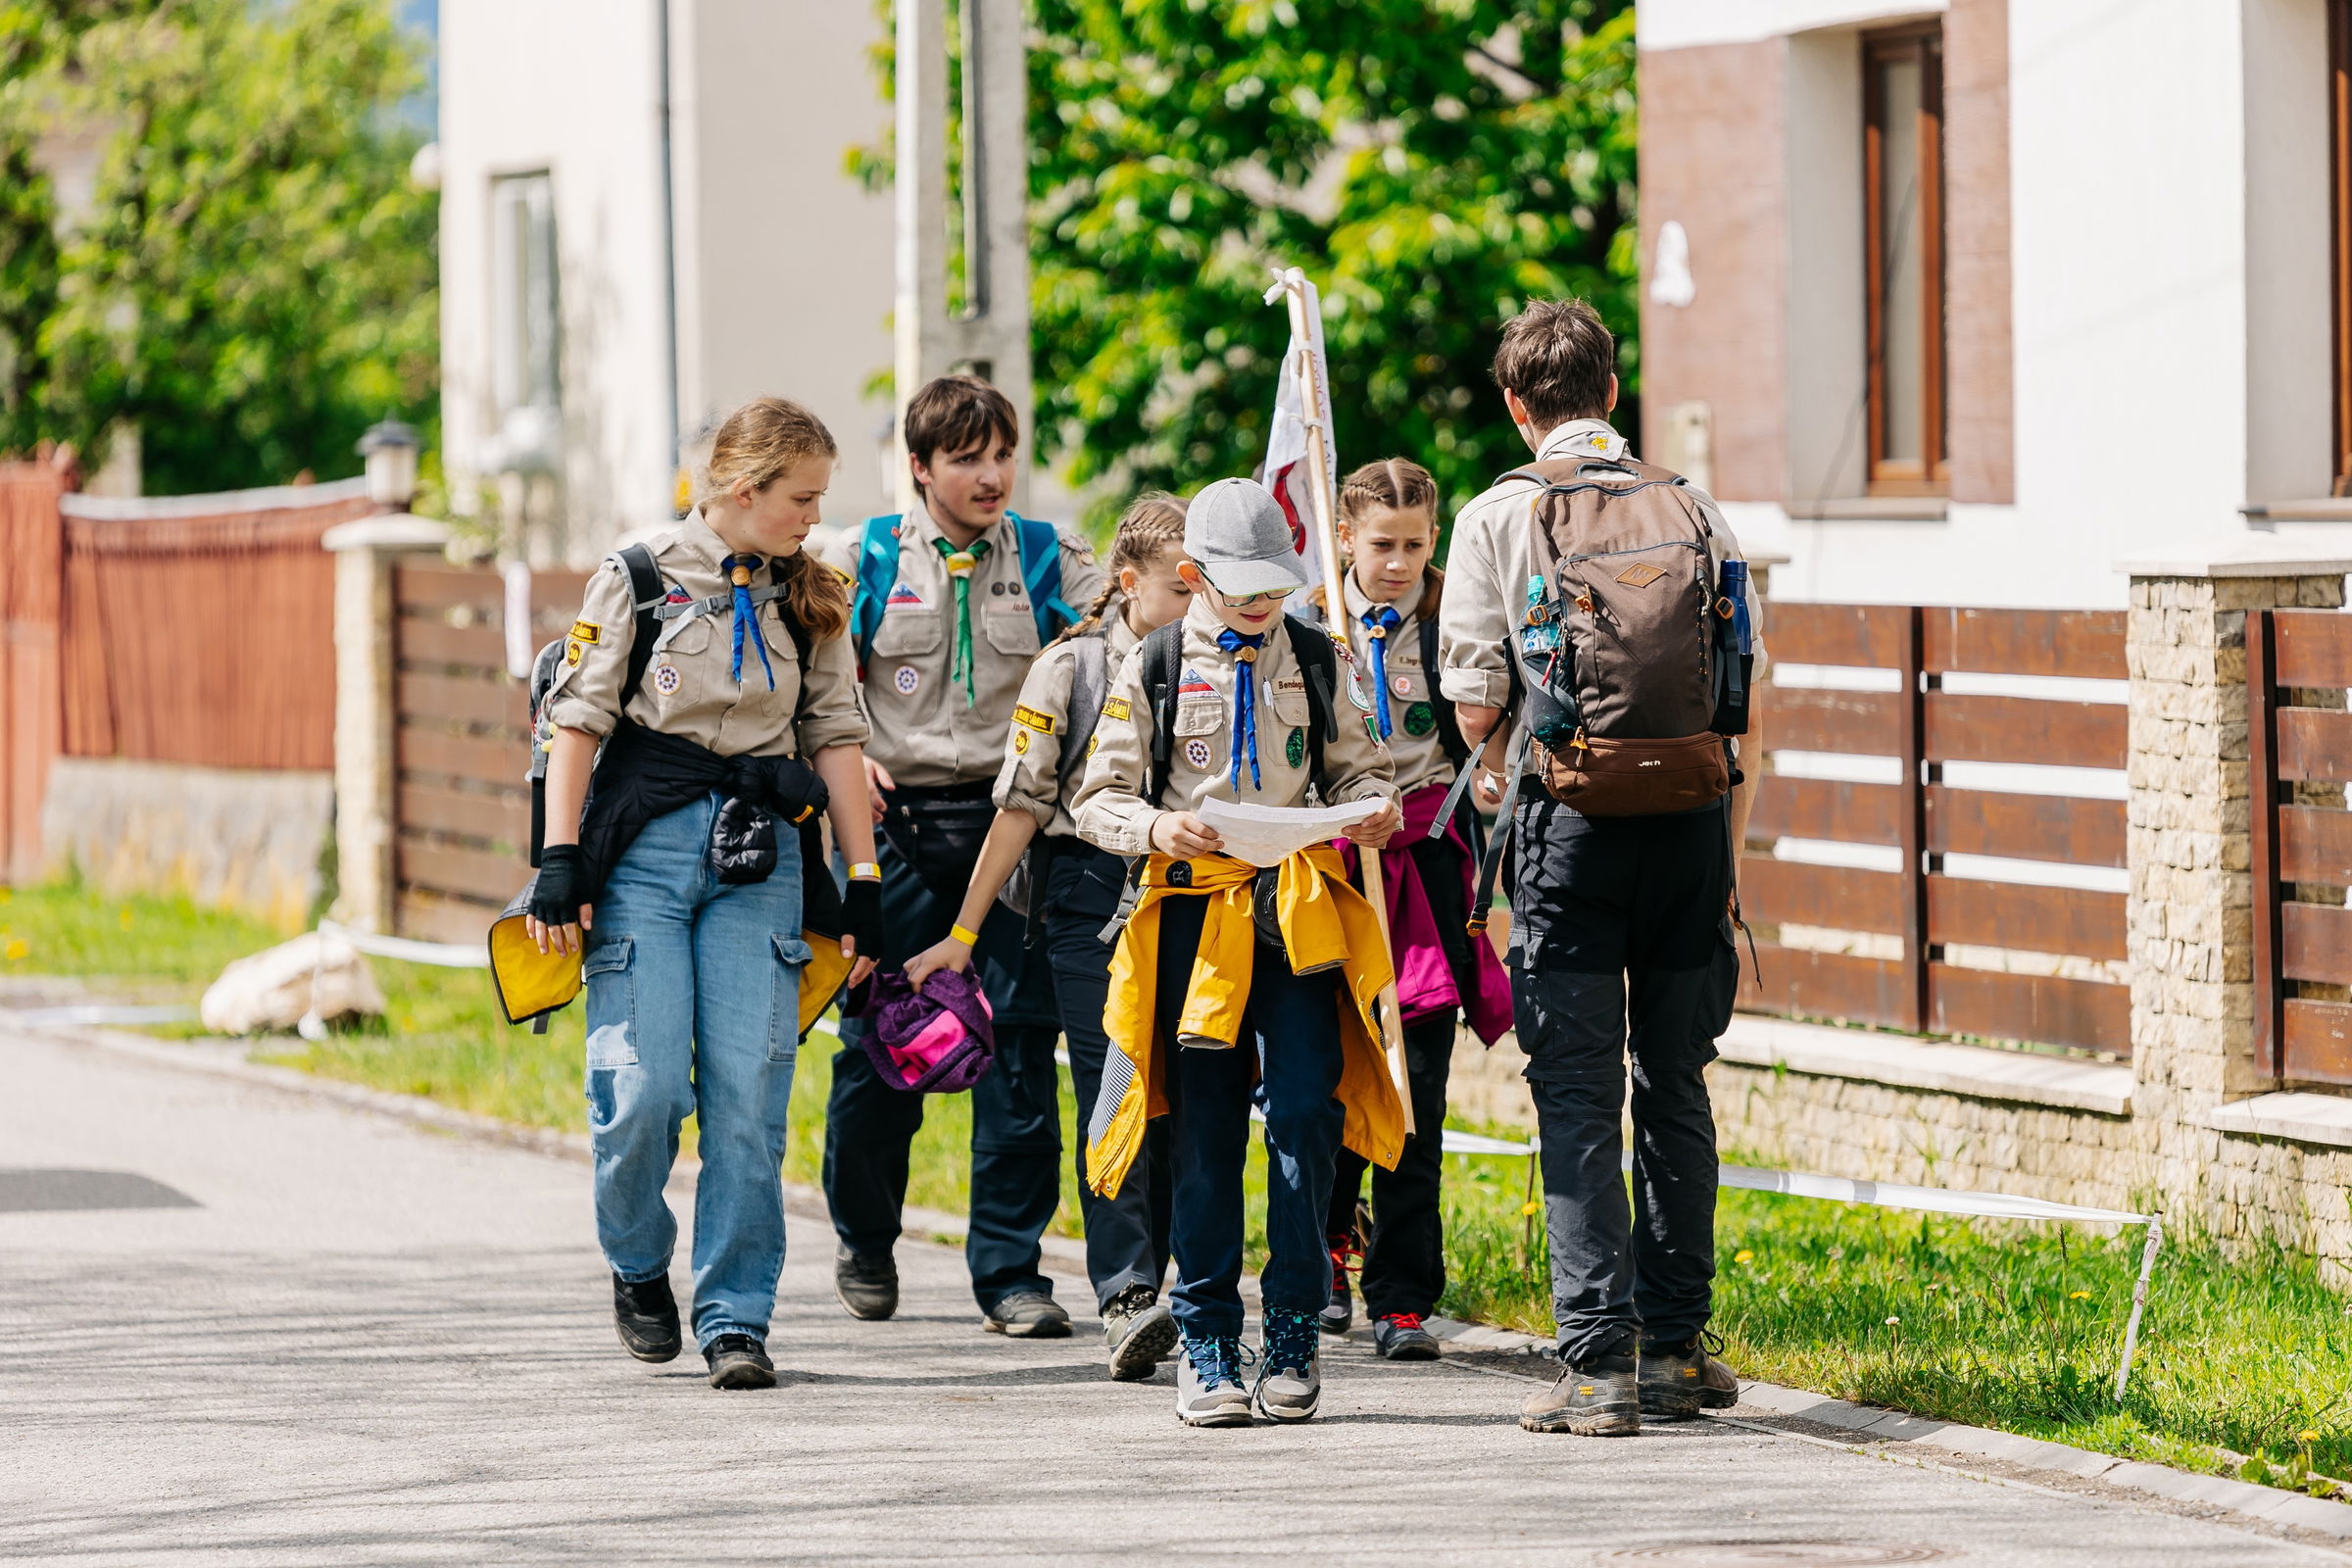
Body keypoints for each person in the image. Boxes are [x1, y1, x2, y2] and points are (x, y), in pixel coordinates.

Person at [1438, 298, 1764, 1435]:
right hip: (1685, 829)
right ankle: (1677, 1348)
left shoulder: (1495, 516)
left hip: (1565, 830)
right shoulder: (1698, 507)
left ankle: (1596, 1367)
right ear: (1616, 395)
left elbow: (1478, 695)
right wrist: (1723, 849)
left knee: (1577, 1093)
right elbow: (1744, 685)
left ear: (1519, 407)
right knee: (1674, 1084)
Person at [526, 397, 885, 1391]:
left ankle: (735, 1316)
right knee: (641, 1090)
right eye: (801, 498)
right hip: (643, 851)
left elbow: (837, 736)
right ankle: (639, 1261)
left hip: (759, 859)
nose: (815, 516)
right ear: (741, 489)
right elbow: (578, 722)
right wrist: (560, 860)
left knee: (746, 1099)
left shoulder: (809, 596)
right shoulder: (636, 580)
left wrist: (863, 881)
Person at [1073, 476, 1404, 1428]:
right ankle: (1209, 1334)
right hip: (1197, 926)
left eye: (1277, 588)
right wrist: (1157, 828)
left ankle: (1294, 1318)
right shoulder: (1156, 663)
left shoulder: (1316, 655)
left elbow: (1360, 769)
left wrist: (1372, 810)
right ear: (1193, 575)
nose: (1263, 606)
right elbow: (1098, 799)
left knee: (1306, 1111)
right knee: (1209, 1128)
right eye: (1243, 589)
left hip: (1298, 920)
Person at [819, 374, 1105, 1337]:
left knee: (1020, 1053)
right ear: (919, 467)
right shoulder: (857, 556)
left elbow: (1131, 624)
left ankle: (1010, 1273)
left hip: (1012, 830)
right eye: (965, 458)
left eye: (1001, 454)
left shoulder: (1047, 556)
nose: (990, 476)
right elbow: (805, 668)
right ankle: (865, 1236)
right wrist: (849, 746)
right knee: (882, 1047)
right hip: (892, 838)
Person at [904, 494, 1194, 1380]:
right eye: (1180, 583)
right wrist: (964, 930)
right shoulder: (1069, 668)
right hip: (1091, 888)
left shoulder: (1225, 661)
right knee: (1116, 1079)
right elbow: (1021, 807)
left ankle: (1177, 1272)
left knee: (1186, 1083)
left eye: (1203, 581)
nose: (1196, 597)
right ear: (1128, 581)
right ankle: (1125, 1292)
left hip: (1197, 886)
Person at [1298, 458, 1514, 1359]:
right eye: (1381, 544)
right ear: (1345, 537)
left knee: (1415, 1086)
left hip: (1425, 873)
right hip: (1334, 875)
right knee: (1324, 1086)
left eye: (1416, 544)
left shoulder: (1452, 623)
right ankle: (1320, 1259)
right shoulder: (1308, 629)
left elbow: (1490, 738)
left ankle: (1404, 1296)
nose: (1397, 563)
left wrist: (1494, 784)